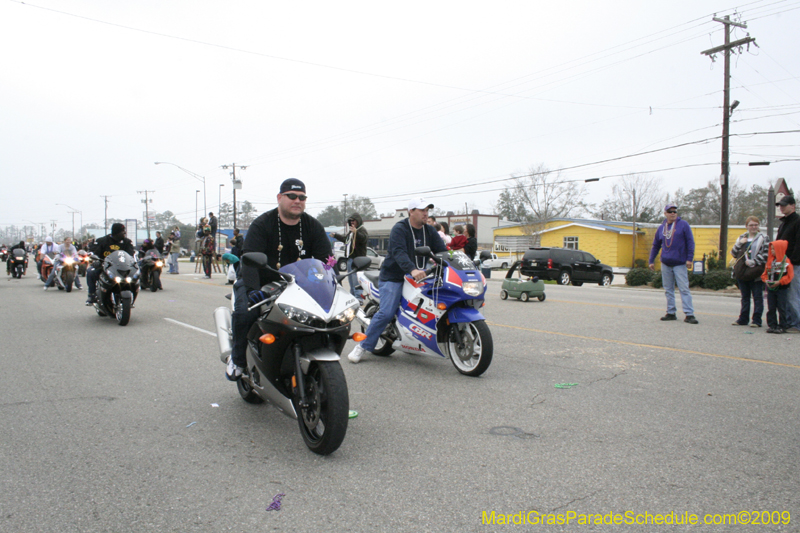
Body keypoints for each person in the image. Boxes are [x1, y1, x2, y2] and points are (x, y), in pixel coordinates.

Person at [227, 178, 332, 380]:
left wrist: (329, 283)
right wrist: (251, 290)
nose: (297, 201)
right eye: (291, 196)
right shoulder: (262, 224)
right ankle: (238, 359)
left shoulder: (313, 226)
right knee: (245, 311)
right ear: (279, 198)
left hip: (299, 285)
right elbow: (249, 261)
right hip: (261, 281)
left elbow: (325, 261)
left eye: (302, 197)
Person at [348, 198, 446, 364]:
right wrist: (412, 269)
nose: (425, 213)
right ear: (411, 211)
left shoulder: (429, 231)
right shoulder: (400, 229)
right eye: (422, 209)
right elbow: (399, 253)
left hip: (421, 276)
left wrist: (454, 262)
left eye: (427, 210)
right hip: (395, 276)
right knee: (386, 312)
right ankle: (362, 346)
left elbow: (443, 251)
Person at [648, 203, 698, 324]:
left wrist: (689, 259)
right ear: (665, 213)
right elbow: (656, 245)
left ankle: (689, 314)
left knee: (684, 288)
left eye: (675, 211)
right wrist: (651, 260)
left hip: (680, 263)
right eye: (670, 211)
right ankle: (671, 312)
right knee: (668, 289)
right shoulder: (661, 228)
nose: (673, 213)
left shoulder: (683, 225)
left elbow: (690, 242)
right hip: (666, 262)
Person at [730, 216, 769, 327]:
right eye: (751, 225)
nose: (753, 227)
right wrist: (739, 243)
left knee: (757, 296)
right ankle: (743, 319)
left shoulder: (763, 238)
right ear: (746, 226)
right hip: (742, 271)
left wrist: (754, 261)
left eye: (756, 225)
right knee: (745, 297)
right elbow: (733, 253)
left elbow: (766, 254)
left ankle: (756, 320)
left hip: (756, 272)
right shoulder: (742, 237)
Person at [85, 223, 135, 305]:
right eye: (123, 231)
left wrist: (134, 263)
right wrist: (96, 260)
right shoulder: (102, 241)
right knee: (90, 272)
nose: (125, 233)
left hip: (122, 267)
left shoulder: (127, 242)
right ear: (117, 232)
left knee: (135, 275)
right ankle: (91, 295)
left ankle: (131, 294)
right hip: (105, 266)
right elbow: (95, 252)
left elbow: (131, 255)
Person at [774, 195, 800, 333]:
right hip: (782, 263)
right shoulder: (784, 223)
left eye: (784, 205)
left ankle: (797, 324)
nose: (782, 207)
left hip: (794, 264)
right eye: (780, 205)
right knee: (785, 294)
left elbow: (798, 244)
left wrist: (793, 261)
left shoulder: (797, 221)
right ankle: (788, 322)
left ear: (793, 205)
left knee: (793, 294)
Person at [331, 212, 368, 299]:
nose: (352, 222)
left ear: (358, 221)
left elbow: (363, 239)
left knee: (356, 280)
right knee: (351, 280)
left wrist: (356, 233)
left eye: (354, 221)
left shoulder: (361, 230)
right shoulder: (351, 232)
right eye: (350, 221)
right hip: (350, 259)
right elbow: (345, 240)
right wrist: (336, 235)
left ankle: (359, 298)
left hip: (357, 260)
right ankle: (353, 297)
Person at [762, 240, 793, 334]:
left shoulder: (786, 261)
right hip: (771, 288)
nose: (772, 251)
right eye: (771, 249)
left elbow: (789, 276)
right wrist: (766, 280)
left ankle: (783, 326)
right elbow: (765, 274)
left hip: (782, 288)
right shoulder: (770, 262)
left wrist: (780, 282)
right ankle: (772, 325)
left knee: (781, 307)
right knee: (771, 307)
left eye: (774, 249)